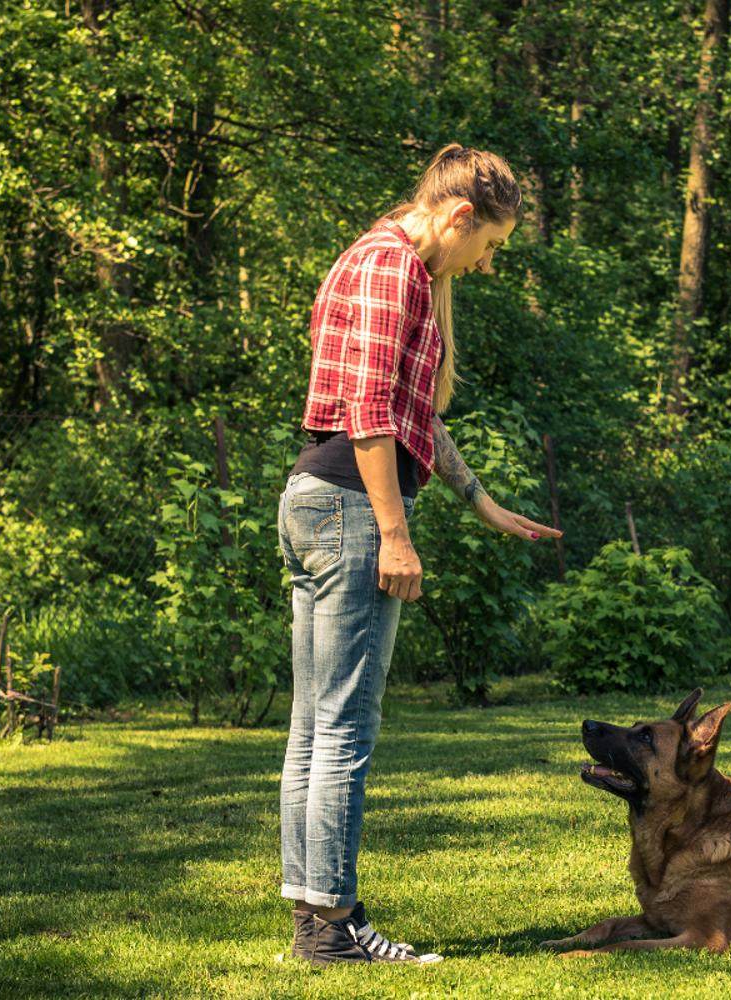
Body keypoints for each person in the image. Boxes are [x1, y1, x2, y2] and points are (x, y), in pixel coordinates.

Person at [276, 144, 562, 966]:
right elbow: (369, 413)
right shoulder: (389, 265)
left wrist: (481, 502)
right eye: (492, 247)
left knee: (315, 727)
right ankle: (333, 929)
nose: (486, 264)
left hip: (328, 503)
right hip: (349, 509)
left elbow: (416, 416)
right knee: (343, 729)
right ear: (461, 216)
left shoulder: (402, 266)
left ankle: (314, 918)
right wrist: (395, 535)